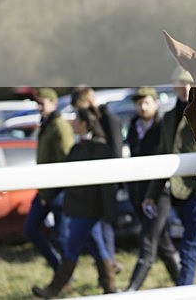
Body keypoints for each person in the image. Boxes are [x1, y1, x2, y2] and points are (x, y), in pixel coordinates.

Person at [141, 68, 196, 287]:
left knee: (189, 247)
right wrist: (151, 194)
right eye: (179, 83)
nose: (183, 87)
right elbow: (165, 153)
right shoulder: (170, 116)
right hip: (178, 191)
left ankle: (183, 290)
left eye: (187, 83)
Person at [32, 109, 118, 298]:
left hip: (89, 209)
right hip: (78, 207)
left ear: (86, 123)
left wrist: (109, 214)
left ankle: (53, 289)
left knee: (72, 248)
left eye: (77, 120)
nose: (73, 124)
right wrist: (48, 193)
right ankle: (110, 287)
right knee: (98, 248)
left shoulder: (99, 148)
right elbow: (66, 176)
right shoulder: (77, 148)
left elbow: (107, 186)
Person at [125, 86, 182, 290]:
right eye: (138, 103)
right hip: (138, 192)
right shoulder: (132, 125)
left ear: (155, 103)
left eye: (146, 102)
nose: (142, 107)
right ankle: (183, 284)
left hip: (159, 192)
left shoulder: (161, 126)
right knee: (164, 243)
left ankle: (131, 289)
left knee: (148, 240)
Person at [70, 85, 124, 274]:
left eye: (80, 106)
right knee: (98, 222)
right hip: (97, 178)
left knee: (105, 221)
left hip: (108, 177)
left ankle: (109, 261)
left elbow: (116, 149)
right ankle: (106, 262)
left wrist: (117, 176)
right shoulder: (97, 117)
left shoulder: (108, 118)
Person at [23, 88, 74, 277]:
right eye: (38, 103)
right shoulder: (46, 124)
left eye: (42, 103)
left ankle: (66, 276)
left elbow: (66, 159)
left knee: (62, 237)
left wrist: (53, 192)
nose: (39, 107)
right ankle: (60, 269)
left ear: (53, 103)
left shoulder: (60, 126)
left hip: (58, 191)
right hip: (45, 189)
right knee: (30, 229)